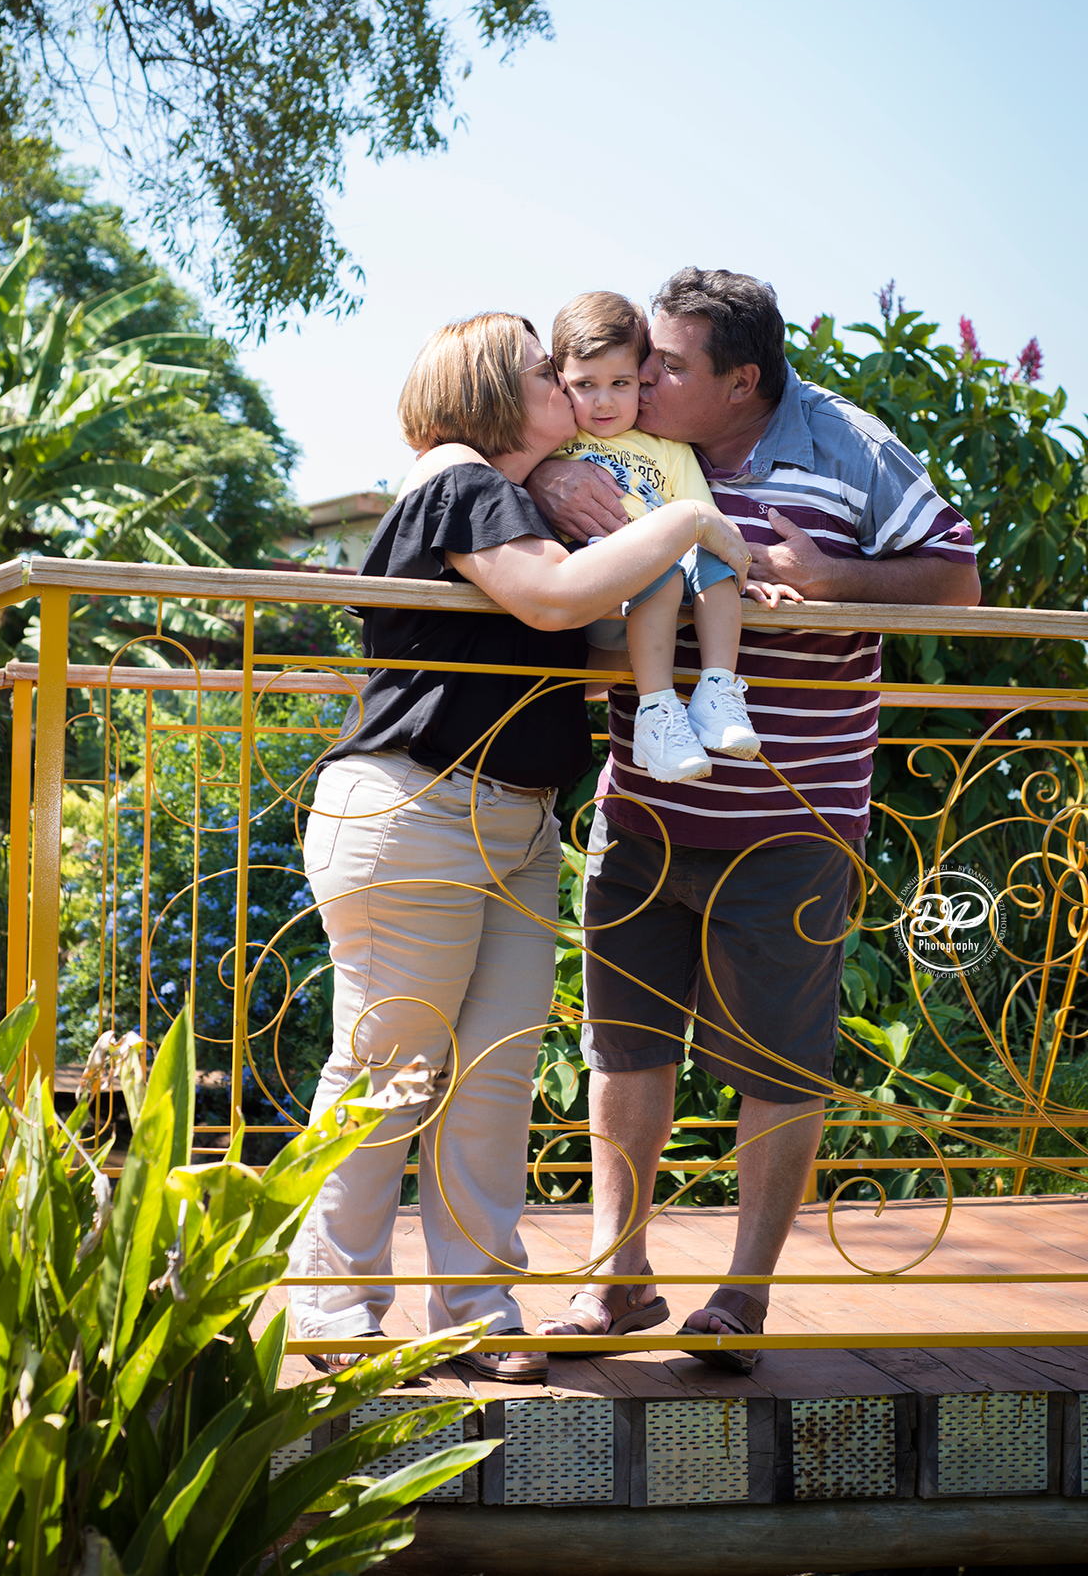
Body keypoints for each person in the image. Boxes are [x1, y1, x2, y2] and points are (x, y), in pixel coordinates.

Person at [288, 310, 753, 1384]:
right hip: (419, 810)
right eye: (547, 369)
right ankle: (331, 1303)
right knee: (389, 1071)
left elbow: (590, 629)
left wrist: (691, 577)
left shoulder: (512, 502)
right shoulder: (459, 480)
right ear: (495, 389)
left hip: (514, 820)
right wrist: (691, 521)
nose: (569, 384)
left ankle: (477, 1308)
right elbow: (551, 601)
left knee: (492, 1080)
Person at [530, 267, 980, 1367]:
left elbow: (957, 577)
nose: (644, 375)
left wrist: (829, 575)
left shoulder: (848, 443)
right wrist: (548, 476)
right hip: (643, 809)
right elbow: (517, 446)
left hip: (791, 823)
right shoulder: (621, 432)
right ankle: (616, 1278)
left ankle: (743, 1295)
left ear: (741, 382)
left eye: (668, 365)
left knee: (779, 1061)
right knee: (623, 1049)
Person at [549, 289, 785, 782]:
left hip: (667, 605)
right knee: (657, 564)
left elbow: (707, 523)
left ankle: (717, 690)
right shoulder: (558, 443)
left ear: (641, 379)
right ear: (560, 381)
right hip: (599, 593)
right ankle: (656, 711)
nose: (604, 400)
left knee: (712, 557)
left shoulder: (670, 448)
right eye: (585, 385)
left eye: (621, 383)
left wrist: (745, 571)